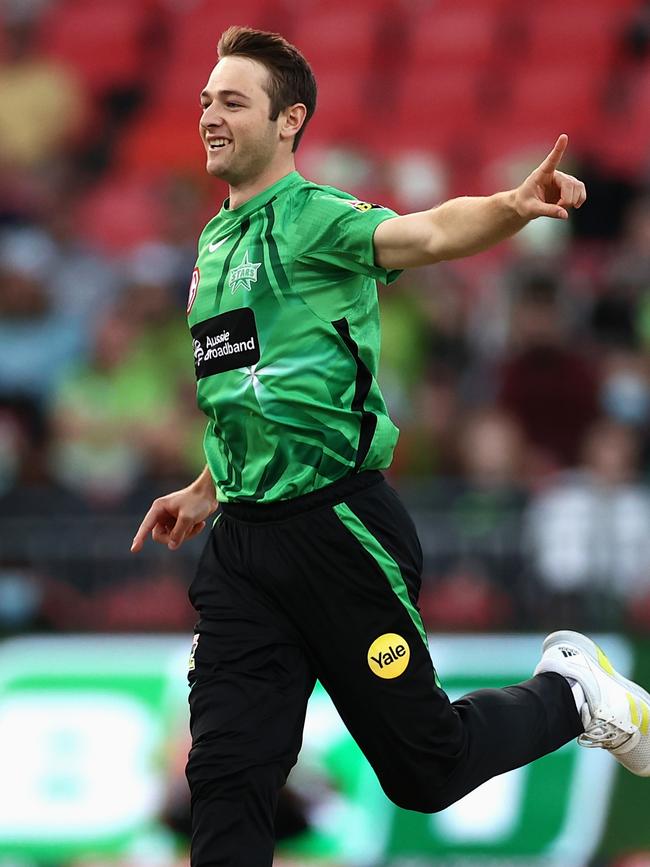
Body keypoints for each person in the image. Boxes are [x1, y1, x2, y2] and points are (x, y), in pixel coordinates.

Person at [131, 26, 650, 867]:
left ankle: (573, 692)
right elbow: (253, 387)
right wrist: (207, 486)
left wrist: (511, 208)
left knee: (425, 767)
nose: (210, 116)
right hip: (243, 550)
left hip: (337, 528)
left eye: (232, 101)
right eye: (204, 101)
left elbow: (430, 234)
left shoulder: (313, 217)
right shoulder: (214, 243)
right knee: (223, 777)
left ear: (289, 120)